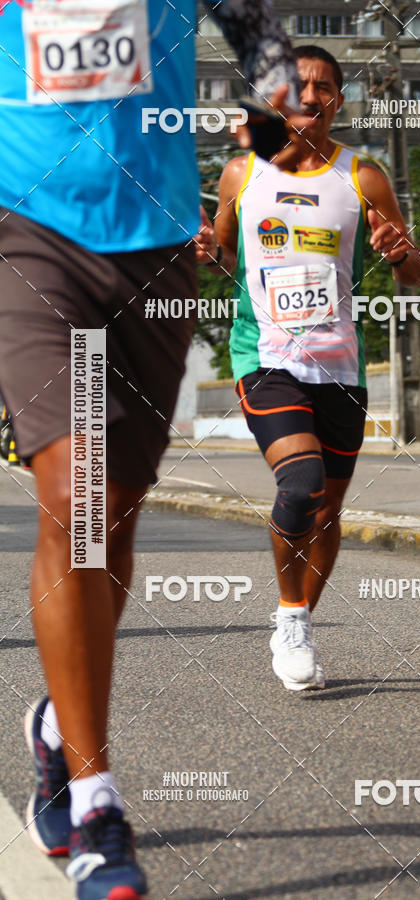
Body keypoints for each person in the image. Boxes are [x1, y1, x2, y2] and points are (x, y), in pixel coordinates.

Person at [0, 3, 308, 898]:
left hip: (158, 242)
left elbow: (256, 30)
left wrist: (275, 107)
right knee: (79, 496)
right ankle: (97, 803)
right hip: (26, 227)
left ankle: (59, 729)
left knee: (115, 515)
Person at [196, 45, 420, 692]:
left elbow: (414, 273)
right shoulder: (241, 173)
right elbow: (223, 256)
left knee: (326, 514)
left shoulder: (364, 177)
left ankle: (295, 619)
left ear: (338, 102)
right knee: (300, 486)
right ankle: (292, 616)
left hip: (341, 368)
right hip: (265, 356)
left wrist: (399, 251)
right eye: (298, 85)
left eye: (324, 87)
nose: (310, 95)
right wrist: (206, 251)